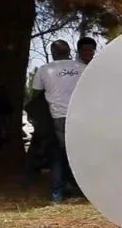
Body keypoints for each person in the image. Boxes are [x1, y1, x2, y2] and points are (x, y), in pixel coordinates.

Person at [31, 41, 85, 204]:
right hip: (81, 116)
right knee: (80, 154)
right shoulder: (82, 68)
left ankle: (57, 195)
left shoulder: (44, 70)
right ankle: (83, 189)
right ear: (69, 51)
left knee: (57, 155)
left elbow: (36, 94)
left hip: (58, 117)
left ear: (52, 53)